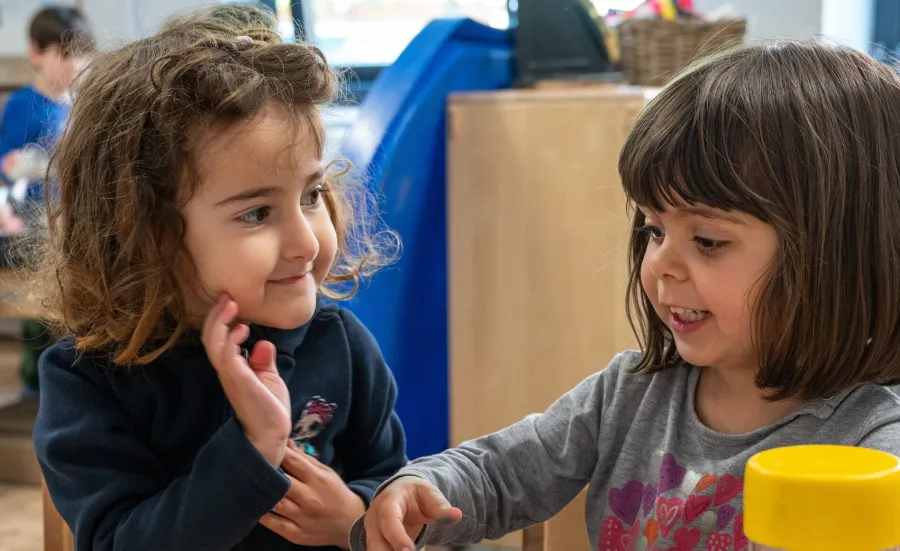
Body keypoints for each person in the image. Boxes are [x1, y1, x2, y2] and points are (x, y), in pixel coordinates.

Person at [350, 41, 900, 551]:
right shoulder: (628, 395)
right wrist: (421, 488)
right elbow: (498, 472)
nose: (659, 263)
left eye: (708, 241)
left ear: (840, 256)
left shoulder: (875, 441)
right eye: (655, 230)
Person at [32, 4, 405, 551]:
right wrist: (253, 447)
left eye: (311, 195)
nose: (306, 241)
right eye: (256, 213)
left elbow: (394, 481)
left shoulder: (342, 346)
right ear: (147, 233)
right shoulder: (86, 381)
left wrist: (358, 516)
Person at [0, 6, 92, 396]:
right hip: (25, 219)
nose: (76, 64)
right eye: (66, 54)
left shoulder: (74, 107)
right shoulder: (24, 104)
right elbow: (6, 165)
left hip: (60, 219)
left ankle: (62, 376)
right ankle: (36, 380)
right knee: (41, 294)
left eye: (83, 54)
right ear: (37, 52)